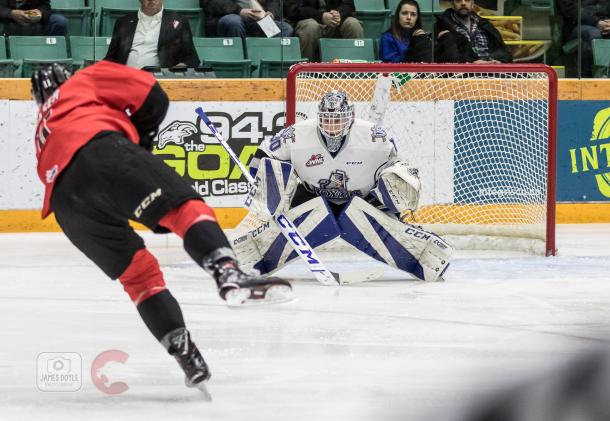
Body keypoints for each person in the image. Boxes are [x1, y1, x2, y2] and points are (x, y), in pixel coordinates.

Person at [30, 62, 293, 389]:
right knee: (185, 209)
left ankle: (185, 353)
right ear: (65, 78)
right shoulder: (83, 80)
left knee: (139, 277)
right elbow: (152, 94)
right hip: (102, 152)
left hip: (65, 206)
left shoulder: (41, 128)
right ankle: (227, 271)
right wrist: (142, 143)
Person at [231, 90, 453, 282]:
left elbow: (398, 171)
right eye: (327, 120)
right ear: (319, 118)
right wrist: (258, 176)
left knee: (399, 179)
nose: (332, 126)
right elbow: (264, 154)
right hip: (312, 197)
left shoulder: (375, 136)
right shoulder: (297, 134)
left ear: (350, 118)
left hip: (363, 200)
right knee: (274, 168)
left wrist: (398, 200)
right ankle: (258, 253)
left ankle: (416, 249)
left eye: (337, 120)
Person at [105, 0, 199, 70]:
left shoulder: (179, 22)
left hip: (159, 83)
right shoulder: (123, 22)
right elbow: (111, 57)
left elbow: (192, 58)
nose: (152, 1)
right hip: (126, 79)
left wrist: (180, 68)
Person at [557, 0, 610, 77]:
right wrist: (595, 21)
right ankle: (587, 79)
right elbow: (569, 8)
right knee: (593, 35)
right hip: (579, 24)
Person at [285, 0, 364, 62]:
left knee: (353, 24)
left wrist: (338, 14)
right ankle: (304, 74)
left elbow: (348, 4)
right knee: (310, 27)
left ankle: (355, 74)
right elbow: (292, 10)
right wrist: (320, 16)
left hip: (334, 21)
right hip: (307, 19)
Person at [435, 0, 512, 63]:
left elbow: (505, 52)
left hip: (490, 72)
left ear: (473, 3)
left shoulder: (486, 25)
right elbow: (439, 56)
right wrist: (472, 62)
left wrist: (497, 61)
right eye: (458, 0)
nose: (463, 3)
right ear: (452, 4)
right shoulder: (442, 26)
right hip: (461, 75)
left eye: (467, 0)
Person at [200, 0, 293, 39]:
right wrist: (239, 11)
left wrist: (270, 12)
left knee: (284, 29)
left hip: (257, 20)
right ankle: (239, 62)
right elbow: (211, 3)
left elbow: (273, 2)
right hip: (228, 16)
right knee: (234, 22)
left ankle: (265, 64)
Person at [0, 0, 67, 36]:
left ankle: (53, 57)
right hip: (5, 20)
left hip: (32, 20)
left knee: (59, 22)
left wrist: (40, 13)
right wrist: (10, 13)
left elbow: (45, 6)